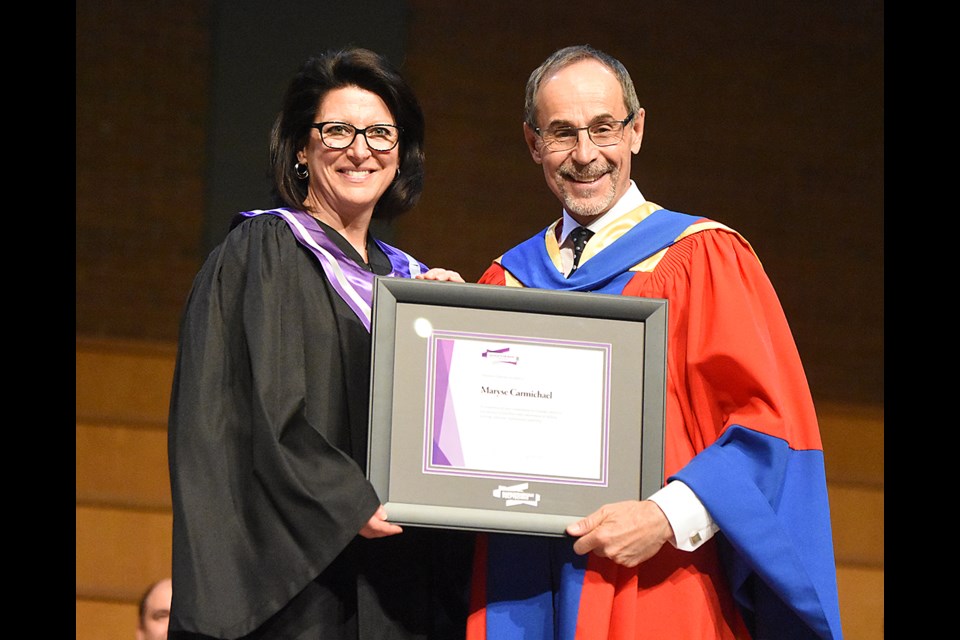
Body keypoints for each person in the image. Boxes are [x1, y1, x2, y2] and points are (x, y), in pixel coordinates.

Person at [467, 45, 843, 639]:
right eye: (562, 132)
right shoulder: (505, 280)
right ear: (533, 143)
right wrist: (439, 331)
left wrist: (664, 517)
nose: (585, 154)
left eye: (604, 128)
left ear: (636, 130)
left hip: (655, 578)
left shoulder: (703, 258)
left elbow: (769, 425)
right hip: (520, 582)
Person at [167, 48, 474, 640]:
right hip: (303, 585)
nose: (361, 150)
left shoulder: (410, 281)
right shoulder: (267, 252)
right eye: (338, 131)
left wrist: (456, 332)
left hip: (397, 581)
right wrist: (346, 503)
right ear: (302, 150)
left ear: (401, 153)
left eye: (381, 133)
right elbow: (248, 413)